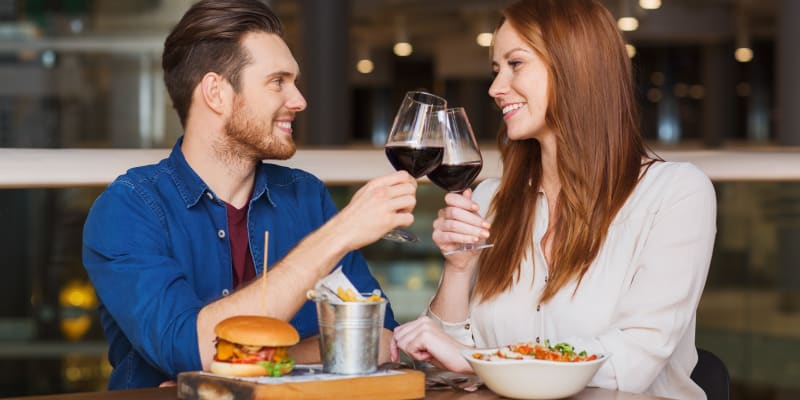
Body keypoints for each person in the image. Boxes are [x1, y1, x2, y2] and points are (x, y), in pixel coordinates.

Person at [82, 0, 417, 389]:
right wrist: (340, 233)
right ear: (216, 93)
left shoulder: (306, 197)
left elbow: (379, 342)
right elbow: (188, 349)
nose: (299, 100)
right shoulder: (129, 209)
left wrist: (248, 366)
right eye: (278, 81)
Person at [391, 0, 716, 398]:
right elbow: (436, 360)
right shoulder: (493, 198)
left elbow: (634, 357)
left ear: (575, 67)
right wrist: (459, 269)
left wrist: (481, 359)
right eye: (496, 70)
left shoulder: (675, 193)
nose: (495, 88)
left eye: (516, 64)